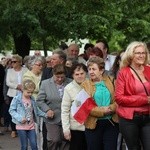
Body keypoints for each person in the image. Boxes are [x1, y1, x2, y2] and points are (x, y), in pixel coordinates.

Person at [115, 41, 150, 150]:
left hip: (148, 116)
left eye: (143, 53)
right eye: (138, 53)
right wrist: (145, 100)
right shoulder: (123, 73)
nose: (141, 55)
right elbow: (119, 98)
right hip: (129, 119)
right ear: (131, 55)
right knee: (134, 148)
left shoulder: (149, 70)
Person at [81, 56, 119, 150]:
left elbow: (118, 100)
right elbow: (86, 105)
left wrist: (110, 109)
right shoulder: (85, 84)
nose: (91, 72)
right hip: (93, 124)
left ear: (101, 70)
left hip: (111, 123)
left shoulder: (112, 80)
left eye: (94, 69)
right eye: (89, 69)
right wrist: (102, 111)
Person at [37, 64, 72, 150]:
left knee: (65, 139)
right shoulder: (45, 83)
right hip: (52, 117)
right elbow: (39, 100)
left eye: (62, 77)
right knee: (54, 139)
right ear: (53, 74)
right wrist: (47, 110)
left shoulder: (71, 82)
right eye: (57, 77)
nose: (60, 79)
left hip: (67, 117)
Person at [9, 79, 48, 150]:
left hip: (31, 126)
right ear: (23, 89)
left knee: (34, 144)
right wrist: (20, 118)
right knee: (24, 146)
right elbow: (11, 110)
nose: (30, 94)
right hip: (21, 126)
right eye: (28, 92)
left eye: (32, 92)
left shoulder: (32, 99)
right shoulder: (17, 99)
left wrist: (46, 115)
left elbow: (37, 111)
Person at [61, 63, 88, 150]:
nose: (79, 76)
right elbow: (65, 110)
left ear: (86, 73)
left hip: (91, 127)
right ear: (72, 75)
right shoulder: (68, 88)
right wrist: (66, 130)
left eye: (82, 73)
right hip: (76, 128)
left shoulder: (92, 86)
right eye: (77, 74)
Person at [6, 54, 27, 137]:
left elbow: (28, 79)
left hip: (24, 93)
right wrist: (17, 86)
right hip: (13, 93)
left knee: (24, 110)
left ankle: (24, 128)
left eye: (14, 62)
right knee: (13, 111)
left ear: (19, 62)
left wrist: (23, 86)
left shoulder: (25, 70)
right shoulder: (9, 71)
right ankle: (14, 129)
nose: (12, 63)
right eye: (11, 62)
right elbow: (8, 82)